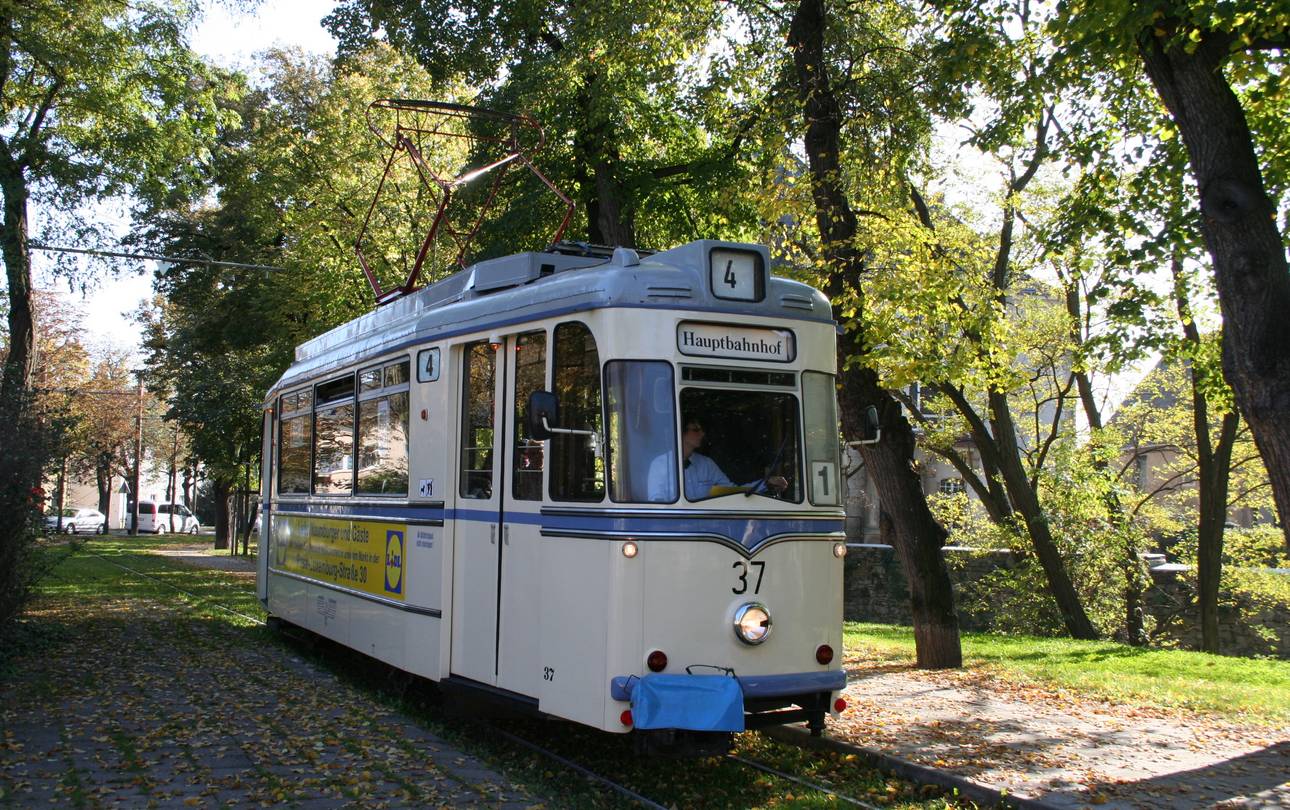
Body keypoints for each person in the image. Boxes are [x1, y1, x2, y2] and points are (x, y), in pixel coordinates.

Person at [658, 418, 788, 501]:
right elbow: (656, 502)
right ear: (680, 432)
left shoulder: (706, 464)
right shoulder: (660, 464)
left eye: (701, 430)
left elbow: (733, 491)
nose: (702, 434)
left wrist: (766, 483)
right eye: (696, 430)